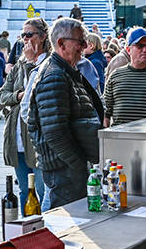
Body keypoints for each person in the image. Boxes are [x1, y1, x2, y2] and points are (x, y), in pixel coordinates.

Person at [28, 18, 103, 209]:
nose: (84, 46)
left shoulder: (65, 70)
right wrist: (78, 164)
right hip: (64, 169)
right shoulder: (55, 75)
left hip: (68, 167)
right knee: (66, 226)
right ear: (61, 43)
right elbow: (54, 132)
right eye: (80, 41)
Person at [0, 18, 48, 214]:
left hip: (36, 138)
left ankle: (46, 230)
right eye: (23, 35)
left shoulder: (48, 62)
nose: (25, 40)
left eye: (30, 34)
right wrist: (18, 95)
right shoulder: (19, 64)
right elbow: (3, 94)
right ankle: (26, 229)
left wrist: (29, 62)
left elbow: (34, 93)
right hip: (16, 135)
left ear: (43, 37)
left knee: (43, 191)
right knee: (23, 190)